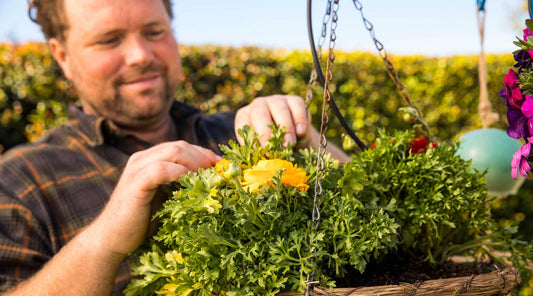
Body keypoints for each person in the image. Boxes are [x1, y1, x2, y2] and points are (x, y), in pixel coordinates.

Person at [0, 0, 350, 295]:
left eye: (154, 32)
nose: (140, 55)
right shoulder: (19, 179)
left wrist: (307, 140)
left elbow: (382, 215)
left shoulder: (238, 133)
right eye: (109, 40)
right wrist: (103, 243)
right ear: (62, 55)